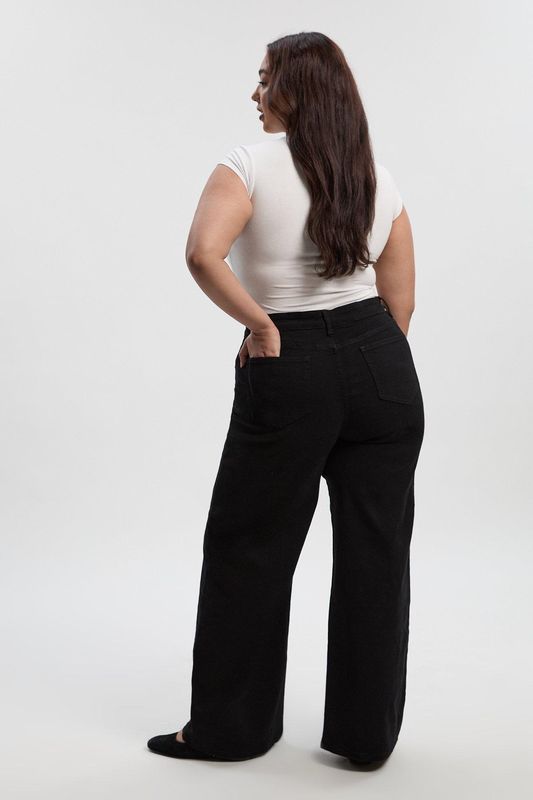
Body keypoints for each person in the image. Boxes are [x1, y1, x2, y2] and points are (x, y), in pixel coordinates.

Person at [147, 31, 425, 767]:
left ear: (296, 89)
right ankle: (367, 740)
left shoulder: (246, 164)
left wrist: (263, 325)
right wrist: (364, 360)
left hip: (289, 362)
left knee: (250, 546)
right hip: (383, 368)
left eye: (265, 78)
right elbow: (399, 300)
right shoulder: (375, 176)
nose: (255, 93)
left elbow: (201, 252)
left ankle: (230, 731)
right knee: (376, 556)